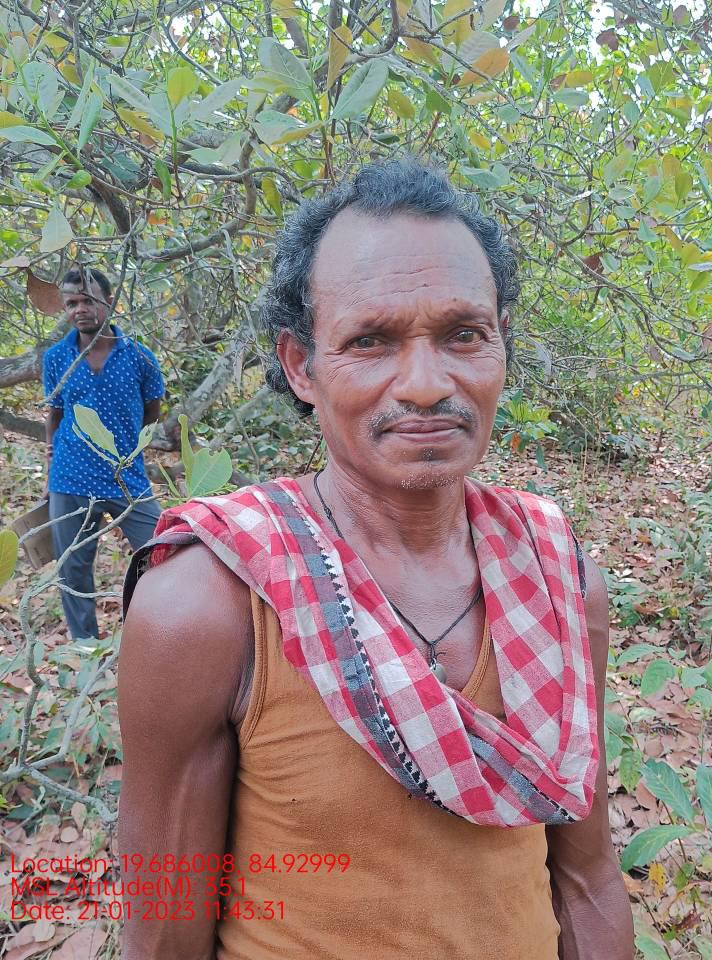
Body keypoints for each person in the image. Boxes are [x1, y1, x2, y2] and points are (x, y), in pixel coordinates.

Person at [119, 161, 633, 960]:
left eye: (464, 334)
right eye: (370, 341)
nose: (426, 384)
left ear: (502, 343)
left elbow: (587, 876)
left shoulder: (558, 579)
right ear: (301, 365)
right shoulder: (205, 607)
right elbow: (163, 933)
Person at [42, 267, 165, 641]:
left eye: (88, 300)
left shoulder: (140, 357)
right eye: (71, 303)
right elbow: (55, 416)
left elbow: (151, 412)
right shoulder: (57, 358)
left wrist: (127, 447)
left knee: (161, 554)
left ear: (109, 302)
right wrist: (50, 471)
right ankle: (84, 649)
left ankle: (153, 634)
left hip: (126, 477)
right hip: (70, 479)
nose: (79, 309)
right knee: (72, 571)